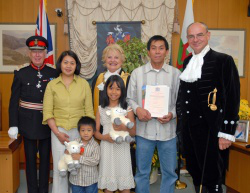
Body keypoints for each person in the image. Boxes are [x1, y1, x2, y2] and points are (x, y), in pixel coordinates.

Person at [176, 22, 240, 193]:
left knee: (213, 177)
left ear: (208, 35)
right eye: (191, 36)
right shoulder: (188, 60)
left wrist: (227, 133)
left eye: (200, 35)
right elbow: (185, 97)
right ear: (187, 39)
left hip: (212, 131)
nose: (195, 39)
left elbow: (232, 98)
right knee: (196, 174)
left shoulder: (223, 60)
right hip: (190, 131)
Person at [127, 35, 181, 193]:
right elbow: (129, 98)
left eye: (161, 48)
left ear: (166, 52)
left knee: (170, 173)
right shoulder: (137, 73)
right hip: (145, 132)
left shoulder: (176, 74)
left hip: (168, 133)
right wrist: (138, 110)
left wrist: (172, 114)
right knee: (142, 173)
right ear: (148, 52)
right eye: (153, 48)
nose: (157, 52)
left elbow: (180, 102)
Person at [8, 35, 57, 193]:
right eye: (34, 51)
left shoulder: (54, 73)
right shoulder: (21, 74)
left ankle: (43, 190)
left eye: (40, 51)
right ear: (29, 53)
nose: (37, 54)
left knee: (45, 161)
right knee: (29, 161)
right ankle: (32, 190)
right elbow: (13, 101)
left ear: (45, 54)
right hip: (27, 124)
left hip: (47, 123)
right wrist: (13, 125)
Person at [42, 50, 95, 193]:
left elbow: (89, 111)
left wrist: (87, 134)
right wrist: (58, 133)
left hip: (80, 133)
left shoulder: (83, 84)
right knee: (61, 168)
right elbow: (48, 112)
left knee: (77, 168)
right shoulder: (52, 85)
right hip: (59, 132)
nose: (68, 66)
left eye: (72, 63)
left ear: (76, 65)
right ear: (60, 64)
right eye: (65, 62)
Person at [94, 75, 136, 193]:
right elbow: (96, 132)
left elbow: (133, 132)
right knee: (108, 186)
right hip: (107, 148)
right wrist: (104, 137)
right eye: (111, 88)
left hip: (122, 148)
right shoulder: (101, 109)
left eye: (118, 89)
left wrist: (123, 127)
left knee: (125, 185)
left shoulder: (127, 108)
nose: (114, 92)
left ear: (122, 91)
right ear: (106, 89)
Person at [92, 43, 130, 116]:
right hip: (101, 123)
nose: (113, 60)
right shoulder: (97, 80)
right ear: (105, 60)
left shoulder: (128, 80)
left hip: (122, 123)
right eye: (109, 57)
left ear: (121, 60)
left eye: (116, 57)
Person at [69, 116, 100, 193]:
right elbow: (68, 155)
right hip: (76, 180)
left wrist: (80, 158)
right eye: (83, 130)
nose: (86, 133)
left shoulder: (95, 145)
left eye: (89, 130)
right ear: (79, 131)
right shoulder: (74, 142)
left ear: (93, 132)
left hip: (90, 181)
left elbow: (95, 161)